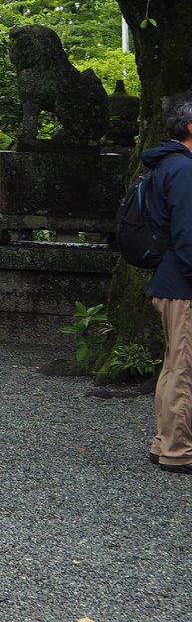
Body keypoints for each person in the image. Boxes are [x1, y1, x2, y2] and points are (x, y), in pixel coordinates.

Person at [145, 90, 192, 476]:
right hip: (183, 282)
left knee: (174, 365)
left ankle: (165, 441)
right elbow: (188, 233)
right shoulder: (185, 168)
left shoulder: (166, 164)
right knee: (184, 368)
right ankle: (179, 449)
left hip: (170, 278)